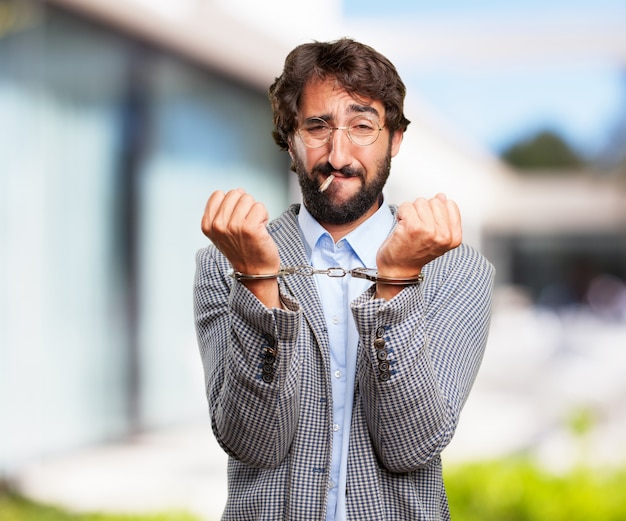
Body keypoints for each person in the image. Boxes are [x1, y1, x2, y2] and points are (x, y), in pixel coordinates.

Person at [194, 37, 495, 521]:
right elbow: (252, 443)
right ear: (288, 140)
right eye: (317, 126)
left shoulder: (457, 268)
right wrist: (256, 280)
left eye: (362, 126)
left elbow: (411, 447)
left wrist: (396, 282)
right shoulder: (222, 263)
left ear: (395, 139)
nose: (339, 154)